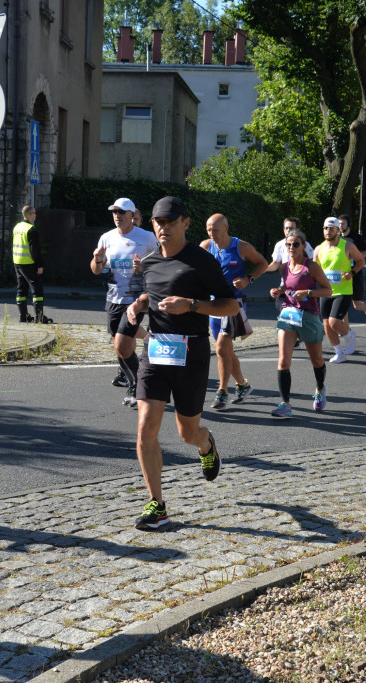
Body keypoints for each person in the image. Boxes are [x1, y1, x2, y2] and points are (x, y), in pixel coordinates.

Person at [126, 196, 238, 531]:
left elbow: (231, 305)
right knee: (145, 426)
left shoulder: (201, 261)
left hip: (191, 353)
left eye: (171, 222)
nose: (164, 227)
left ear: (185, 223)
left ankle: (206, 444)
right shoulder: (149, 261)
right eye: (159, 222)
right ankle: (157, 505)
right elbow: (154, 294)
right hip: (156, 352)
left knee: (188, 433)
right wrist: (139, 304)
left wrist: (191, 305)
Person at [91, 198, 159, 407]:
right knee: (120, 346)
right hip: (113, 298)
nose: (117, 216)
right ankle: (135, 382)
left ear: (132, 215)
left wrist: (144, 268)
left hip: (136, 300)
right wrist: (98, 259)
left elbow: (161, 264)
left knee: (121, 343)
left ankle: (137, 385)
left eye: (121, 212)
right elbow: (96, 270)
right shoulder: (107, 237)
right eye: (114, 212)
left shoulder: (147, 237)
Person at [202, 213, 268, 410]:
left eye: (215, 230)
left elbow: (263, 263)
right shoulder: (206, 246)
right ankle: (242, 385)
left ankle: (222, 391)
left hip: (233, 304)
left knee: (221, 349)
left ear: (226, 228)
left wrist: (248, 279)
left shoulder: (241, 247)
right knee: (227, 351)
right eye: (208, 230)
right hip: (213, 304)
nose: (211, 234)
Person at [269, 233, 332, 417]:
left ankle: (320, 389)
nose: (291, 248)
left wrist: (308, 293)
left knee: (317, 360)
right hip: (288, 316)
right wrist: (279, 291)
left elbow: (328, 290)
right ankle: (285, 404)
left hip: (309, 316)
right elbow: (288, 287)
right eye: (288, 244)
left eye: (295, 244)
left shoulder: (311, 267)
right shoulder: (284, 267)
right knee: (283, 360)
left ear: (304, 246)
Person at [313, 217, 365, 363]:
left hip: (343, 291)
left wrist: (352, 273)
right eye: (325, 228)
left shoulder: (347, 246)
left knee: (334, 322)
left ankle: (349, 335)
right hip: (326, 291)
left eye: (331, 229)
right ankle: (339, 353)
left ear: (337, 230)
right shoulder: (319, 249)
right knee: (326, 325)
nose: (328, 231)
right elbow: (314, 269)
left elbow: (361, 261)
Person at [11, 205, 51, 324]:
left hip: (17, 262)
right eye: (34, 213)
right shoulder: (31, 230)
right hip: (28, 263)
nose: (35, 215)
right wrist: (39, 266)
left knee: (21, 289)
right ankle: (39, 317)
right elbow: (35, 251)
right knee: (37, 289)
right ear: (29, 215)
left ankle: (23, 316)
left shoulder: (17, 227)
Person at [338, 214, 366, 326]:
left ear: (348, 224)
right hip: (342, 275)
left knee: (356, 304)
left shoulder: (356, 237)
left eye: (343, 224)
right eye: (339, 224)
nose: (340, 226)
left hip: (355, 273)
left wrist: (354, 255)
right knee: (342, 303)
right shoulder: (337, 238)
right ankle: (345, 329)